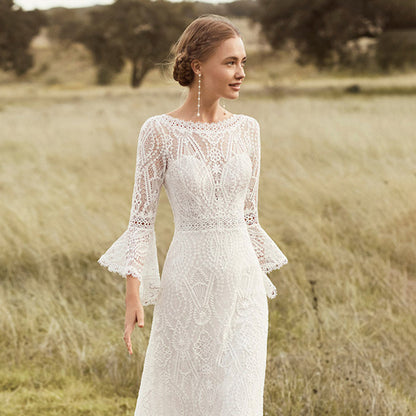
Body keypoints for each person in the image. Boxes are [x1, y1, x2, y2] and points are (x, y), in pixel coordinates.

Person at [98, 13, 288, 416]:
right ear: (198, 65)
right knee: (181, 394)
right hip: (188, 283)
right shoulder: (158, 131)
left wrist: (258, 276)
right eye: (230, 62)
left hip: (243, 289)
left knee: (237, 399)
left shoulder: (248, 130)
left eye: (243, 62)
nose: (241, 73)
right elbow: (141, 220)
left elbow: (250, 217)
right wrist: (134, 291)